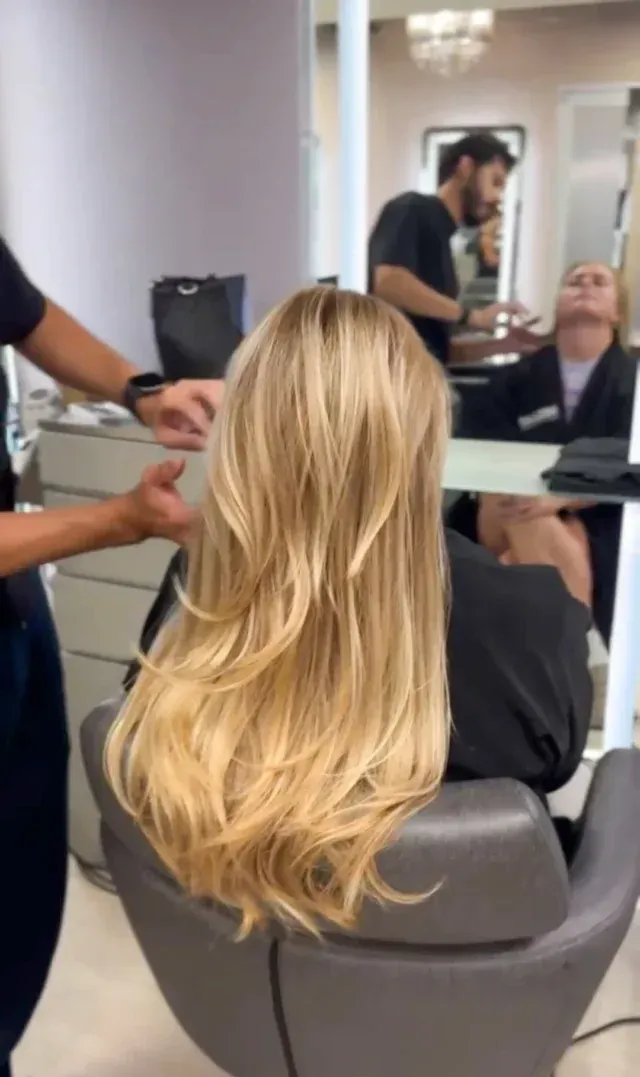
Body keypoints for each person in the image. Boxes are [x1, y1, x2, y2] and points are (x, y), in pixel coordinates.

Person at [106, 286, 592, 944]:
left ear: (245, 436)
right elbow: (558, 764)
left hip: (250, 970)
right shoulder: (530, 620)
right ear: (422, 433)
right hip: (457, 983)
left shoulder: (196, 589)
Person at [0, 235, 223, 1077]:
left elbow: (26, 313)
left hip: (13, 606)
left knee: (20, 868)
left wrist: (144, 390)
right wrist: (118, 520)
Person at [450, 260, 635, 650]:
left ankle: (525, 648)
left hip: (600, 515)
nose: (584, 286)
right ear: (556, 306)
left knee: (539, 537)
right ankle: (577, 659)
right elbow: (484, 451)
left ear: (617, 311)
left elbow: (630, 457)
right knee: (514, 502)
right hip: (502, 510)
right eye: (574, 282)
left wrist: (561, 499)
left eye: (598, 282)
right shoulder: (514, 380)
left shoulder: (633, 381)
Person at [368, 132, 539, 366]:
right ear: (466, 167)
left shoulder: (444, 245)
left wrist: (503, 345)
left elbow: (438, 350)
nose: (497, 198)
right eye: (495, 182)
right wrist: (471, 316)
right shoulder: (411, 207)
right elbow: (389, 283)